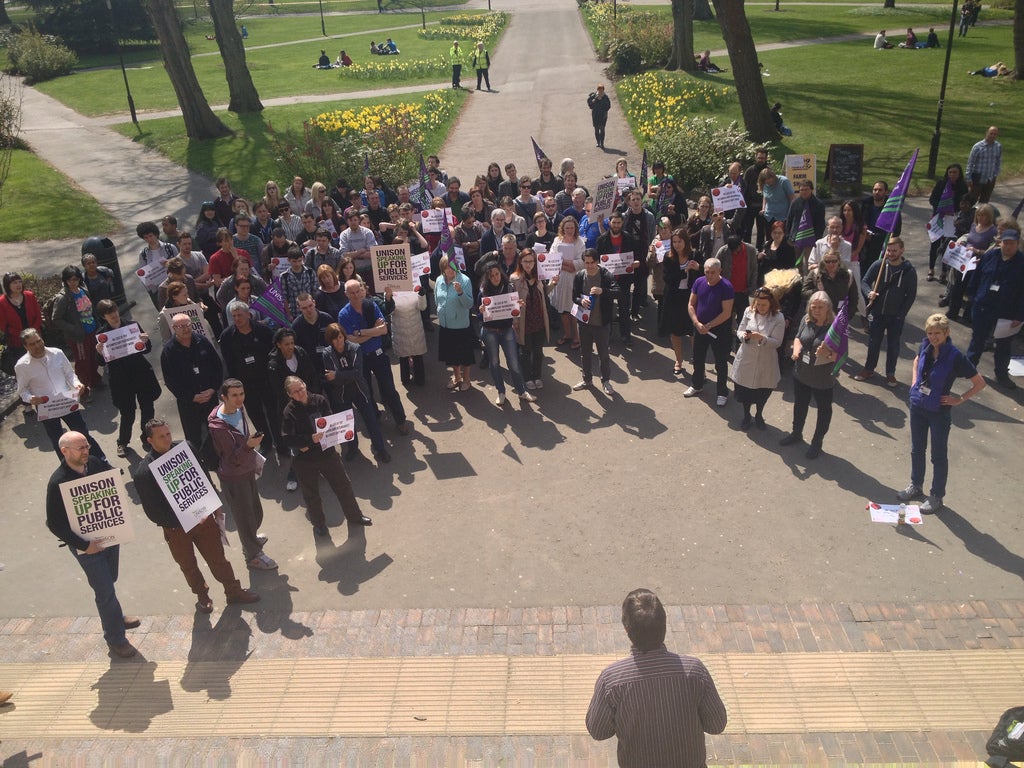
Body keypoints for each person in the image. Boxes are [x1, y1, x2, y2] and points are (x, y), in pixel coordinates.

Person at [586, 588, 727, 768]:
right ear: (665, 625)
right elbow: (717, 724)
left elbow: (598, 731)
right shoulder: (694, 672)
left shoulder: (612, 681)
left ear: (626, 629)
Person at [133, 419, 260, 613]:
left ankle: (233, 591)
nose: (167, 439)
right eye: (161, 436)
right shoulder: (144, 472)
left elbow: (203, 477)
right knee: (188, 565)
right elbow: (153, 512)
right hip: (177, 529)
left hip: (204, 520)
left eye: (168, 434)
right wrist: (186, 518)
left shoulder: (186, 449)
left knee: (218, 558)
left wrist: (214, 503)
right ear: (150, 441)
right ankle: (202, 595)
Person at [46, 432, 139, 658]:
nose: (86, 451)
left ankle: (115, 617)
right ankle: (115, 638)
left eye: (86, 446)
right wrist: (84, 545)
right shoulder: (58, 482)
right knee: (104, 591)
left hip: (109, 537)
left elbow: (110, 482)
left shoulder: (95, 463)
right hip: (87, 547)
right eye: (80, 448)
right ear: (64, 451)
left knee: (111, 579)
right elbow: (54, 523)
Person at [894, 315, 986, 514]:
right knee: (916, 449)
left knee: (938, 455)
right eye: (930, 333)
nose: (933, 337)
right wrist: (914, 383)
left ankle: (937, 495)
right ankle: (916, 485)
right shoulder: (924, 346)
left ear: (946, 333)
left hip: (939, 413)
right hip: (918, 406)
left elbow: (979, 383)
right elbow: (916, 361)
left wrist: (958, 399)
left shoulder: (955, 356)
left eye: (937, 333)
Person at [281, 376, 373, 537]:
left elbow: (331, 422)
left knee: (343, 486)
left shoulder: (319, 400)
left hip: (327, 454)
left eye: (301, 388)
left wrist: (311, 442)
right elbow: (287, 438)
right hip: (305, 461)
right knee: (311, 495)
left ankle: (355, 516)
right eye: (295, 392)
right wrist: (309, 440)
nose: (300, 393)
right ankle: (319, 524)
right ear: (289, 394)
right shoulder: (289, 412)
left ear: (305, 384)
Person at [207, 379, 277, 571]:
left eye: (241, 394)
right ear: (224, 397)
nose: (239, 399)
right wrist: (248, 446)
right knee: (244, 517)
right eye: (234, 395)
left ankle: (251, 540)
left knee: (255, 512)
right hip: (234, 476)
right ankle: (253, 556)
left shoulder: (240, 409)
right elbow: (231, 459)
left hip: (247, 470)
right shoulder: (218, 427)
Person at [15, 329, 106, 462]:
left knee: (83, 435)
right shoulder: (22, 366)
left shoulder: (57, 353)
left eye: (39, 341)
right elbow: (22, 391)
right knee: (59, 443)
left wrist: (77, 384)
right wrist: (31, 399)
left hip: (66, 402)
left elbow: (69, 374)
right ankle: (72, 473)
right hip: (46, 408)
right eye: (32, 344)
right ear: (25, 346)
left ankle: (102, 463)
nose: (37, 345)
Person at [94, 300, 161, 458]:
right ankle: (122, 443)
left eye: (115, 310)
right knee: (127, 413)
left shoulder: (132, 326)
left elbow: (147, 349)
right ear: (104, 317)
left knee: (147, 409)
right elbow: (101, 362)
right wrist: (99, 352)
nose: (114, 315)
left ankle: (147, 438)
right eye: (109, 313)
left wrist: (146, 341)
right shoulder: (102, 335)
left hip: (140, 374)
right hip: (121, 380)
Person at [780, 292, 839, 459]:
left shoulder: (836, 327)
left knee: (823, 411)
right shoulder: (806, 318)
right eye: (814, 307)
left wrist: (828, 354)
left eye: (820, 307)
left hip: (823, 378)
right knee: (800, 405)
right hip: (802, 373)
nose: (817, 311)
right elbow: (798, 337)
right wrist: (796, 350)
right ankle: (796, 433)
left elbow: (842, 357)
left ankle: (817, 442)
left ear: (828, 307)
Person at [322, 323, 391, 463]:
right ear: (330, 340)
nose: (338, 341)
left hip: (359, 391)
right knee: (348, 424)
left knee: (371, 420)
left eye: (340, 337)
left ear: (344, 336)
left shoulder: (355, 348)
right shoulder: (327, 354)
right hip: (341, 393)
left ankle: (380, 449)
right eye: (335, 339)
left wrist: (339, 375)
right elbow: (331, 378)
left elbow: (358, 373)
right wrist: (345, 375)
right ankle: (353, 448)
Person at [855, 237, 917, 386]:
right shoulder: (879, 265)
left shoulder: (909, 271)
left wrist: (901, 314)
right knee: (873, 343)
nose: (891, 253)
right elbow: (864, 282)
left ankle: (890, 373)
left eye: (895, 250)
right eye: (889, 250)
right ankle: (869, 369)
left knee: (893, 345)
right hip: (877, 313)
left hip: (896, 317)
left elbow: (911, 295)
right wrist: (869, 292)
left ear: (902, 250)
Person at [966, 228, 1024, 388]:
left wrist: (1020, 316)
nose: (1008, 247)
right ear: (1000, 243)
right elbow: (977, 277)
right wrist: (972, 296)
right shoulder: (990, 256)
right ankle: (968, 367)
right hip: (983, 306)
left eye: (1012, 244)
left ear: (1017, 244)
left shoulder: (1022, 263)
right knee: (977, 339)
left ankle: (1001, 375)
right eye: (1005, 243)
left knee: (1004, 345)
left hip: (1008, 312)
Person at [160, 313, 223, 449]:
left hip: (210, 398)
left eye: (188, 325)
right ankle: (198, 463)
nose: (185, 329)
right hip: (188, 404)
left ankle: (216, 460)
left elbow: (217, 366)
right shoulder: (169, 351)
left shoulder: (202, 341)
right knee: (193, 438)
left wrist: (213, 389)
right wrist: (191, 397)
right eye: (181, 326)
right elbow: (170, 381)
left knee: (215, 432)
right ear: (173, 328)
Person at [478, 263, 536, 406]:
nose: (495, 278)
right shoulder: (483, 292)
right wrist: (480, 311)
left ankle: (521, 391)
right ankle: (501, 391)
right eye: (491, 276)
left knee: (514, 362)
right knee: (495, 363)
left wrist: (518, 305)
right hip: (490, 331)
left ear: (501, 273)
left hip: (507, 330)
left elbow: (513, 309)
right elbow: (479, 317)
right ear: (487, 277)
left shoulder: (509, 287)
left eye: (497, 274)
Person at [730, 286, 784, 430]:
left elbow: (777, 342)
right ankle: (747, 415)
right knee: (745, 392)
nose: (760, 307)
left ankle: (759, 414)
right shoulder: (748, 311)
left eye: (764, 305)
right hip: (747, 358)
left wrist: (761, 338)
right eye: (758, 304)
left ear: (771, 303)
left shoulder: (778, 317)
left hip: (766, 361)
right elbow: (740, 330)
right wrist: (744, 336)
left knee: (762, 391)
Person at [685, 258, 735, 406]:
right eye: (707, 272)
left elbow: (726, 313)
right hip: (700, 327)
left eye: (713, 272)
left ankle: (722, 392)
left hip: (719, 330)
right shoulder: (699, 282)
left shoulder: (726, 287)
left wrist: (709, 325)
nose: (709, 275)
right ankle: (697, 385)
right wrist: (696, 323)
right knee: (698, 358)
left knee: (720, 362)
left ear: (720, 271)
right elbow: (691, 304)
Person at [51, 264, 101, 401]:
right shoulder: (63, 298)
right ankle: (83, 391)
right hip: (78, 336)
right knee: (82, 362)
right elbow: (56, 319)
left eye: (75, 279)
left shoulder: (83, 289)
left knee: (93, 356)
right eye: (70, 280)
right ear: (65, 281)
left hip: (91, 331)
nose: (73, 282)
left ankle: (95, 380)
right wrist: (74, 329)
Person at [571, 249, 618, 395]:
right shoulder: (579, 276)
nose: (590, 266)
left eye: (592, 263)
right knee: (585, 353)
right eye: (587, 263)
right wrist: (580, 301)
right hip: (584, 323)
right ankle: (587, 379)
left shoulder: (606, 275)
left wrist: (603, 291)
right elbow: (574, 297)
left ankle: (606, 381)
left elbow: (618, 292)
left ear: (598, 262)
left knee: (603, 354)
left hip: (601, 323)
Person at [661, 228, 700, 375]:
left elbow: (704, 276)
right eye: (674, 242)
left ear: (686, 241)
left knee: (693, 332)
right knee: (675, 332)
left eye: (680, 241)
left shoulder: (695, 255)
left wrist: (698, 268)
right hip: (674, 298)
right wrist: (684, 272)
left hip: (691, 298)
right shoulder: (668, 257)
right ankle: (678, 360)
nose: (677, 245)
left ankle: (698, 364)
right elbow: (667, 278)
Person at [928, 164, 969, 282]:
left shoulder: (962, 187)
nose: (952, 174)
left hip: (952, 219)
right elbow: (932, 199)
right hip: (938, 218)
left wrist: (953, 210)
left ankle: (944, 271)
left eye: (955, 172)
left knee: (947, 245)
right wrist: (941, 207)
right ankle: (931, 269)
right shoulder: (941, 184)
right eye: (950, 172)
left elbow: (964, 202)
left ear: (959, 174)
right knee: (934, 244)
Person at [0, 271, 43, 385]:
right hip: (17, 342)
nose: (18, 284)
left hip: (35, 338)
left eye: (19, 281)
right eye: (14, 283)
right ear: (7, 285)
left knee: (40, 363)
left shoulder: (29, 295)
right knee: (25, 368)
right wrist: (22, 334)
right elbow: (4, 325)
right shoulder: (2, 302)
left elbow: (38, 315)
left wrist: (32, 332)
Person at [802, 249, 859, 323]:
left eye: (834, 261)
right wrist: (817, 291)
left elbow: (854, 298)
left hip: (839, 318)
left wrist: (848, 316)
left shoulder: (848, 275)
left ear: (838, 261)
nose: (831, 264)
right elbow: (804, 292)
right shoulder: (815, 274)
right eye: (827, 261)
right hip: (818, 317)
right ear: (823, 262)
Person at [965, 126, 1001, 203]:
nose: (993, 136)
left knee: (984, 202)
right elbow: (970, 163)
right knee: (972, 201)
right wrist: (968, 178)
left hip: (990, 179)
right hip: (977, 178)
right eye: (991, 133)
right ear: (987, 133)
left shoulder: (998, 146)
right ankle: (970, 215)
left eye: (995, 134)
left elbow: (998, 162)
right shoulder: (978, 146)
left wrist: (995, 174)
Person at [587, 84, 611, 149]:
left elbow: (608, 106)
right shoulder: (593, 96)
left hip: (603, 115)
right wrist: (594, 100)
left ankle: (602, 143)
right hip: (595, 115)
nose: (600, 91)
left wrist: (602, 101)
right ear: (597, 90)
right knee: (596, 129)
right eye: (599, 90)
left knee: (602, 129)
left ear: (603, 90)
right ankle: (598, 142)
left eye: (601, 90)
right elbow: (590, 105)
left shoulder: (605, 97)